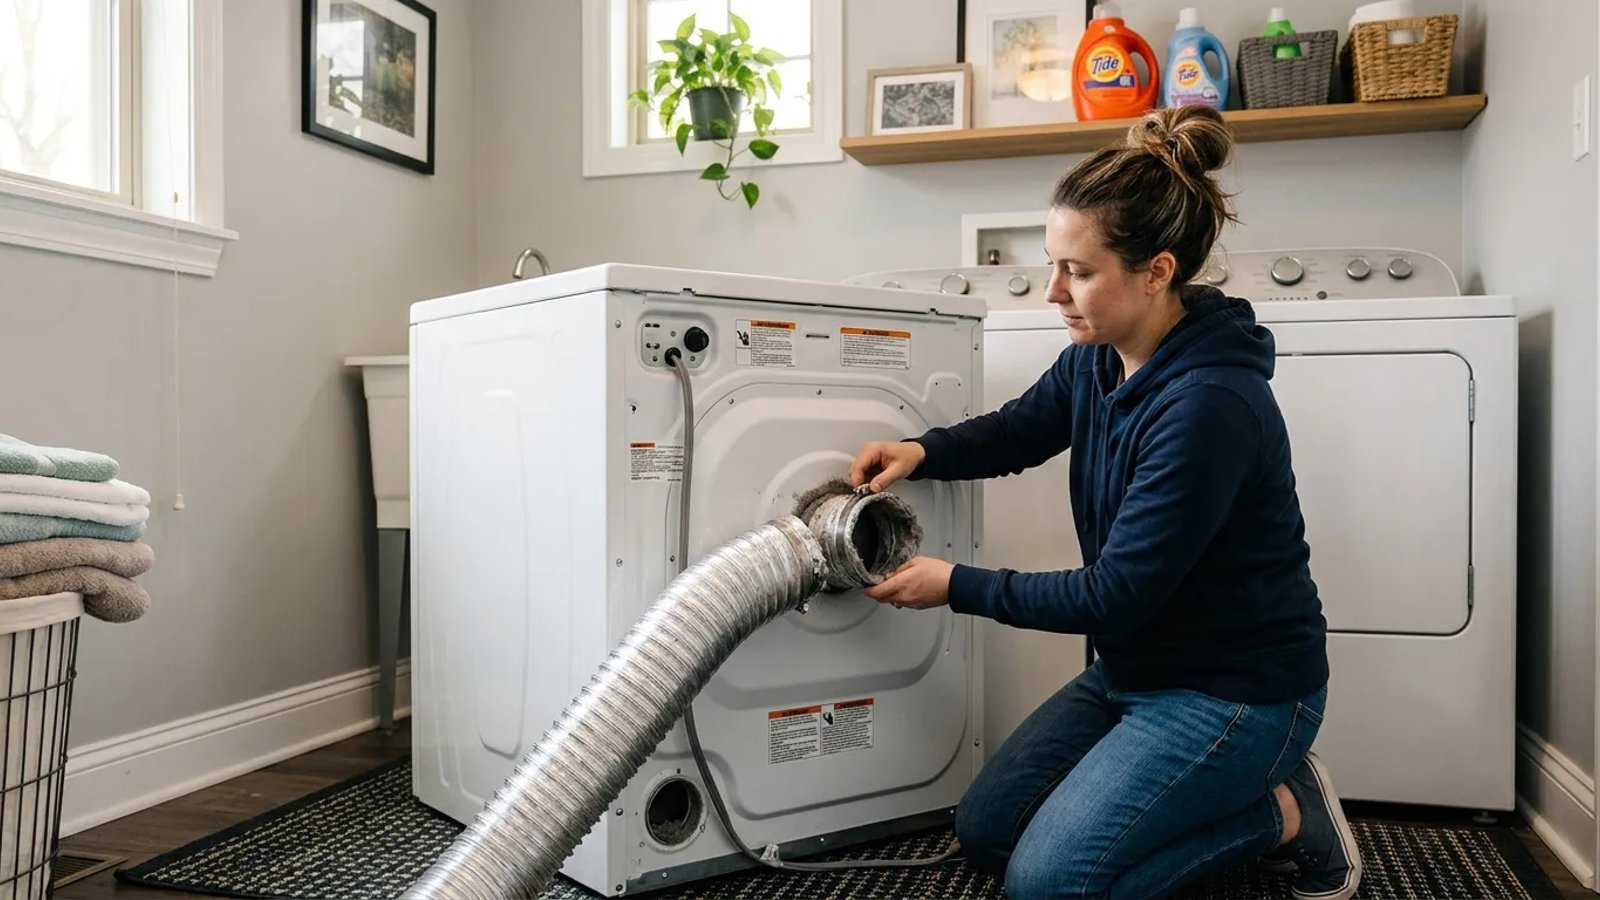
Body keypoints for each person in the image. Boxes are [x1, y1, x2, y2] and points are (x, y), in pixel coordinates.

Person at [848, 105, 1359, 900]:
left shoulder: (1209, 406)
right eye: (1053, 264)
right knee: (986, 830)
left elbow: (1116, 593)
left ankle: (1286, 812)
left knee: (1048, 886)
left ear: (1157, 271)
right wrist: (925, 450)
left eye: (1077, 272)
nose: (1053, 291)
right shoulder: (1096, 357)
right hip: (1137, 672)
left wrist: (955, 585)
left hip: (1237, 692)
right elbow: (1021, 429)